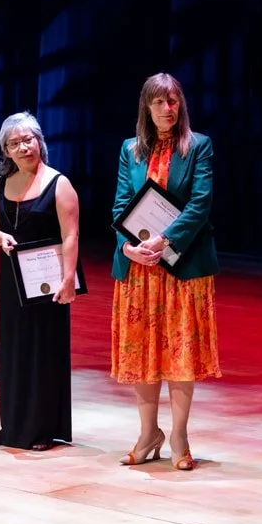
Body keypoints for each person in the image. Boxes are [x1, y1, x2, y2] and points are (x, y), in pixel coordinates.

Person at [110, 72, 220, 472]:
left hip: (182, 265)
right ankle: (147, 434)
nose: (167, 108)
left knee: (180, 353)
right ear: (147, 106)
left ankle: (178, 436)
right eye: (158, 102)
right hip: (140, 268)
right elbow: (121, 205)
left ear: (181, 104)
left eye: (173, 101)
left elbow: (200, 204)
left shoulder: (199, 146)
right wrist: (128, 247)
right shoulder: (130, 149)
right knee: (142, 353)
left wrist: (165, 240)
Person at [0, 111, 82, 450]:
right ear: (6, 151)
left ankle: (42, 429)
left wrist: (68, 278)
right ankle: (12, 425)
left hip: (47, 283)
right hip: (11, 281)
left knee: (42, 352)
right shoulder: (1, 184)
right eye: (15, 143)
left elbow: (71, 235)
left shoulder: (59, 183)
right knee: (13, 351)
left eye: (28, 140)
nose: (23, 148)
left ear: (40, 142)